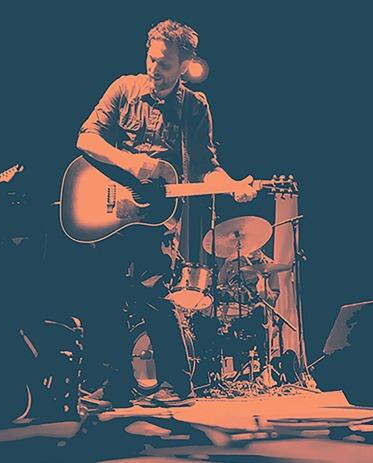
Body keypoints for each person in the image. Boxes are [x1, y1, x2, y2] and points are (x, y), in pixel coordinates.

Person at [74, 19, 257, 408]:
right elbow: (86, 137)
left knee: (153, 294)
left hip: (157, 217)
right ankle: (114, 385)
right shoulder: (124, 88)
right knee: (104, 297)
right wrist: (131, 162)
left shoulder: (194, 106)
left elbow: (207, 166)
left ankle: (176, 384)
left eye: (166, 65)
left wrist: (233, 184)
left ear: (184, 66)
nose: (155, 69)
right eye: (152, 59)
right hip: (111, 212)